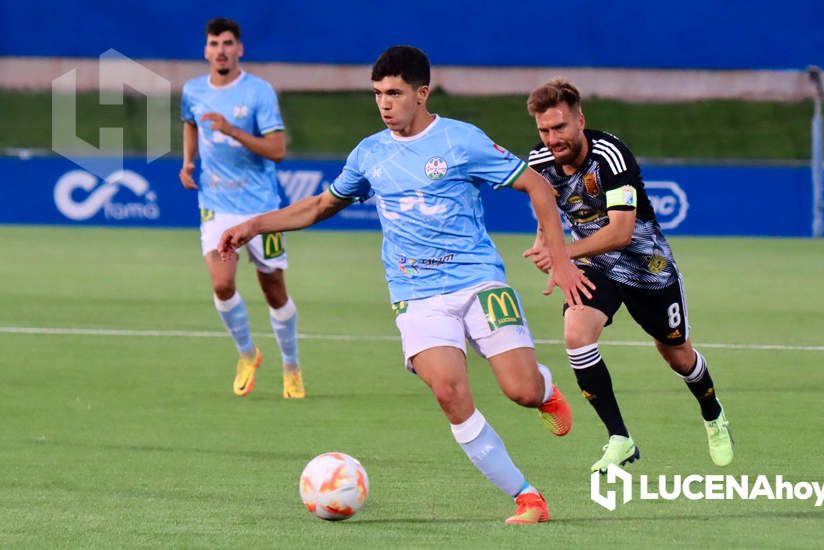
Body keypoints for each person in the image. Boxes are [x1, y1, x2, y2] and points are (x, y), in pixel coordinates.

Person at [218, 46, 595, 524]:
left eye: (394, 93)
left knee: (519, 390)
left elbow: (538, 187)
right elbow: (317, 206)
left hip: (478, 280)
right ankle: (527, 497)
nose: (384, 103)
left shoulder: (461, 141)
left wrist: (561, 262)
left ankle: (544, 391)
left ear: (422, 93)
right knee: (449, 394)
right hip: (415, 293)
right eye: (377, 94)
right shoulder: (369, 154)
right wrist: (255, 225)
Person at [523, 78, 734, 472]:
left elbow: (620, 233)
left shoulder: (610, 156)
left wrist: (560, 253)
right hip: (595, 264)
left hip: (646, 266)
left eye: (560, 127)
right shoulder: (539, 161)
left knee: (677, 354)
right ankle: (620, 438)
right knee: (576, 334)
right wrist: (544, 240)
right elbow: (545, 204)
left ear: (580, 121)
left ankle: (712, 412)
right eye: (545, 130)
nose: (553, 138)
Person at [179, 17, 305, 399]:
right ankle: (248, 354)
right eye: (214, 43)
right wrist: (188, 161)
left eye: (228, 43)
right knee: (221, 283)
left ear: (240, 49)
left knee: (274, 291)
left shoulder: (258, 92)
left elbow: (278, 150)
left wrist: (232, 129)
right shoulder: (193, 91)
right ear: (206, 50)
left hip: (262, 210)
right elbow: (191, 123)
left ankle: (291, 365)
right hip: (216, 205)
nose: (221, 50)